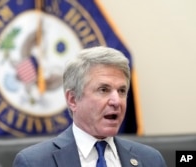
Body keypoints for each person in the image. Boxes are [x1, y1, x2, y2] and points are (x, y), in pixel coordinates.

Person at [13, 46, 167, 167]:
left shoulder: (150, 160)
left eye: (121, 91)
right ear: (73, 100)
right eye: (103, 90)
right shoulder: (34, 162)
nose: (116, 101)